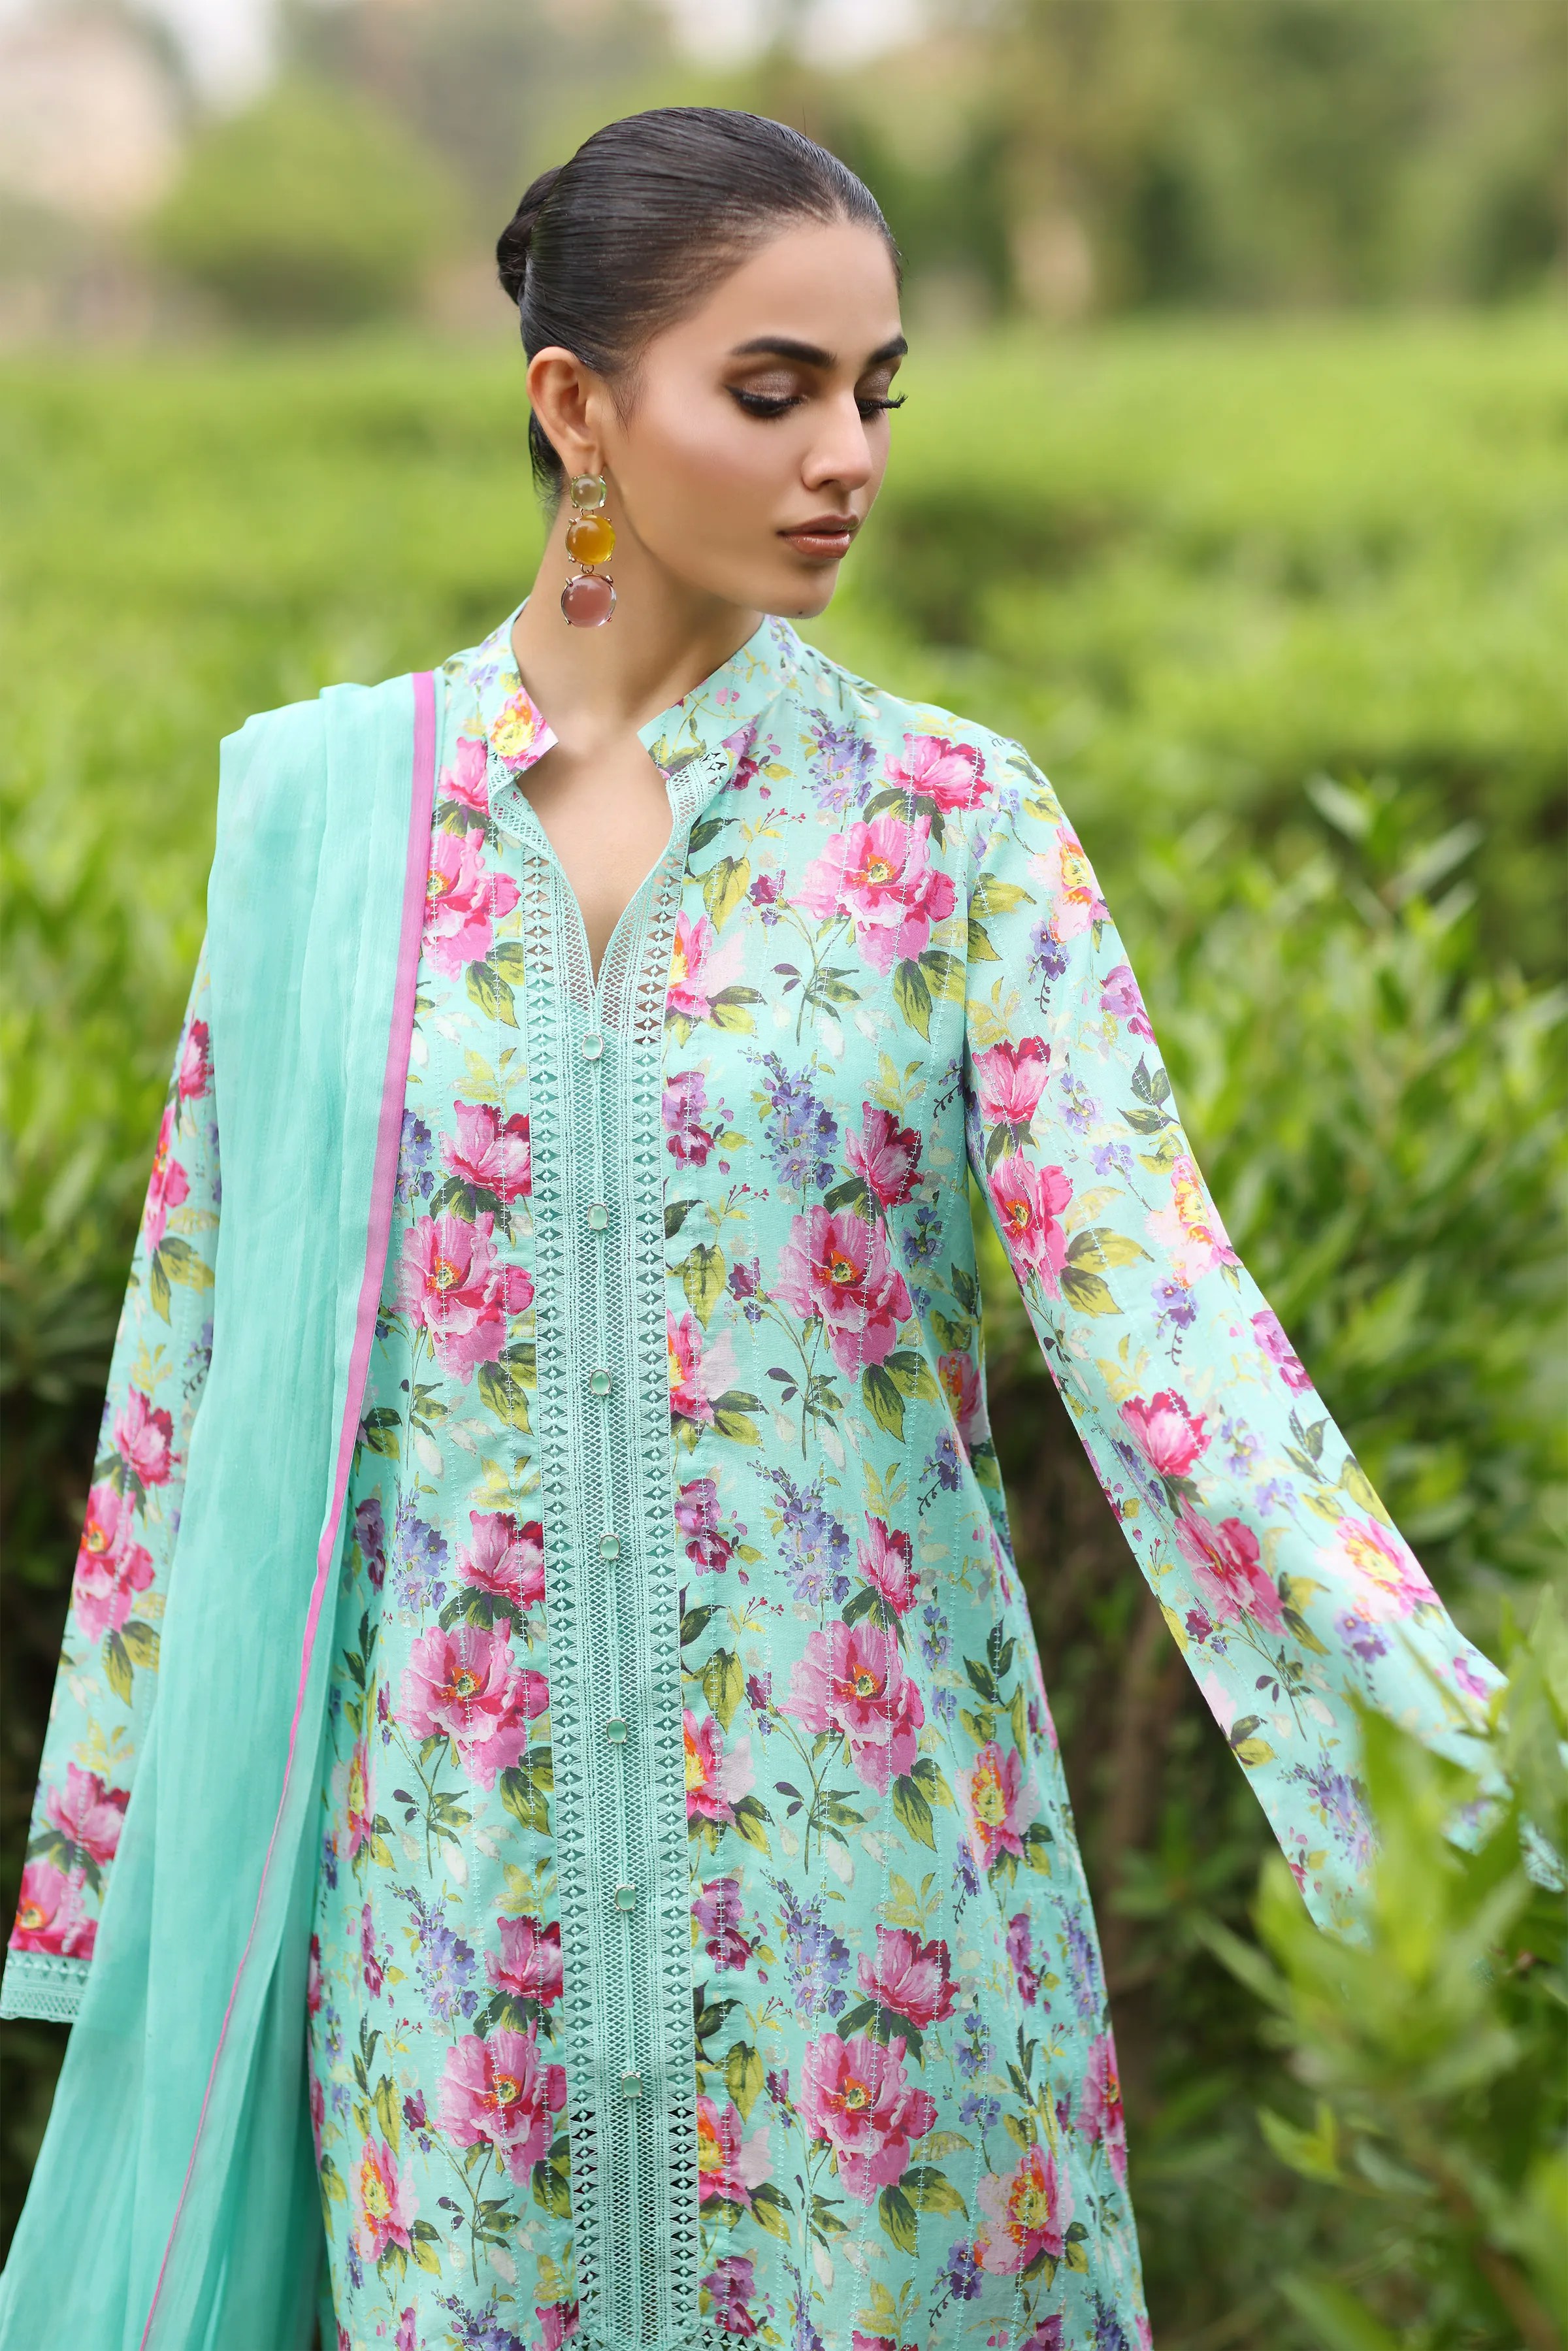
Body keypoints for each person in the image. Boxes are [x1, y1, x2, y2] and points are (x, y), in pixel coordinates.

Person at [0, 107, 1501, 2351]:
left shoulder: (954, 826)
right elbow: (191, 1362)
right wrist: (116, 1873)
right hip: (449, 1913)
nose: (849, 460)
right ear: (576, 409)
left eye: (878, 394)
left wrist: (1471, 1792)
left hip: (872, 1911)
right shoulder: (332, 826)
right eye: (773, 390)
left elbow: (1170, 1329)